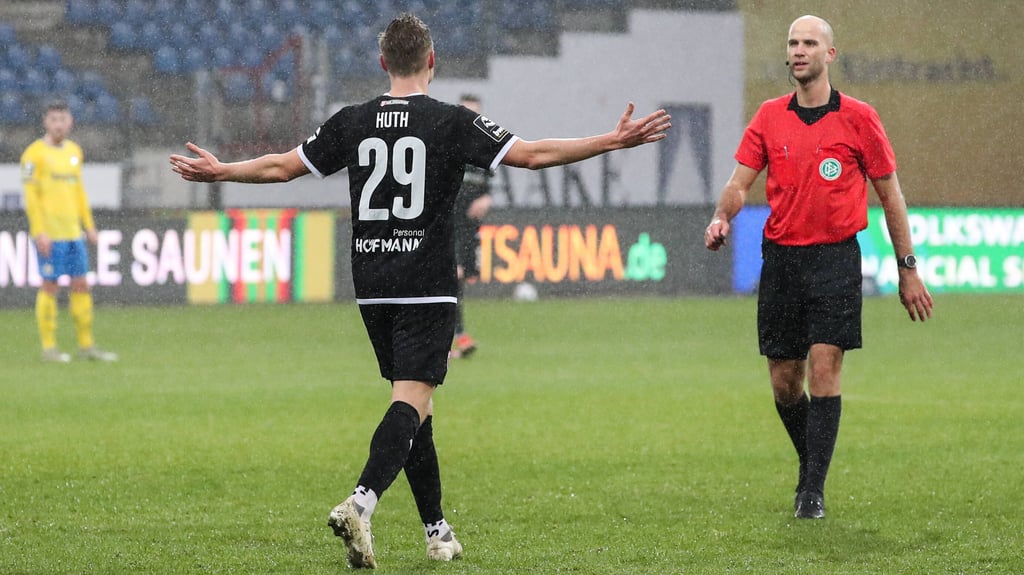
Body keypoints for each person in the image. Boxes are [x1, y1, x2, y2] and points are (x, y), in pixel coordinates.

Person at [170, 13, 670, 569]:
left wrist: (222, 172)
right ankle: (361, 502)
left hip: (372, 282)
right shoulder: (451, 121)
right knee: (411, 401)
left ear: (383, 62)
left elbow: (283, 167)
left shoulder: (353, 120)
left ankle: (437, 532)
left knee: (416, 407)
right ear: (432, 61)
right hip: (427, 284)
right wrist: (612, 140)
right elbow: (532, 155)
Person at [703, 15, 933, 520]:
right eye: (793, 42)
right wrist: (723, 215)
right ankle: (813, 465)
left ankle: (811, 492)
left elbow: (890, 194)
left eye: (810, 42)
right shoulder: (768, 116)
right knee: (786, 381)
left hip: (835, 258)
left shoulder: (859, 118)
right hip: (782, 260)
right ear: (787, 55)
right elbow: (740, 183)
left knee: (826, 365)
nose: (800, 50)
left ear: (830, 54)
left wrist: (907, 267)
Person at [21, 100, 117, 363]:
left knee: (81, 285)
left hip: (74, 233)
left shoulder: (74, 151)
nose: (59, 124)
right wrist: (39, 231)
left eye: (62, 119)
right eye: (53, 119)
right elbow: (31, 197)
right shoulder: (33, 155)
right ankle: (49, 348)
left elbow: (79, 192)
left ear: (70, 121)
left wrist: (89, 226)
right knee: (50, 286)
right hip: (50, 234)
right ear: (46, 122)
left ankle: (86, 346)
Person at [449, 94, 492, 359]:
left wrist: (487, 198)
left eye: (475, 114)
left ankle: (453, 340)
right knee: (453, 277)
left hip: (468, 228)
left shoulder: (484, 150)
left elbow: (487, 188)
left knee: (460, 280)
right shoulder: (445, 144)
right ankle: (458, 337)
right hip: (444, 225)